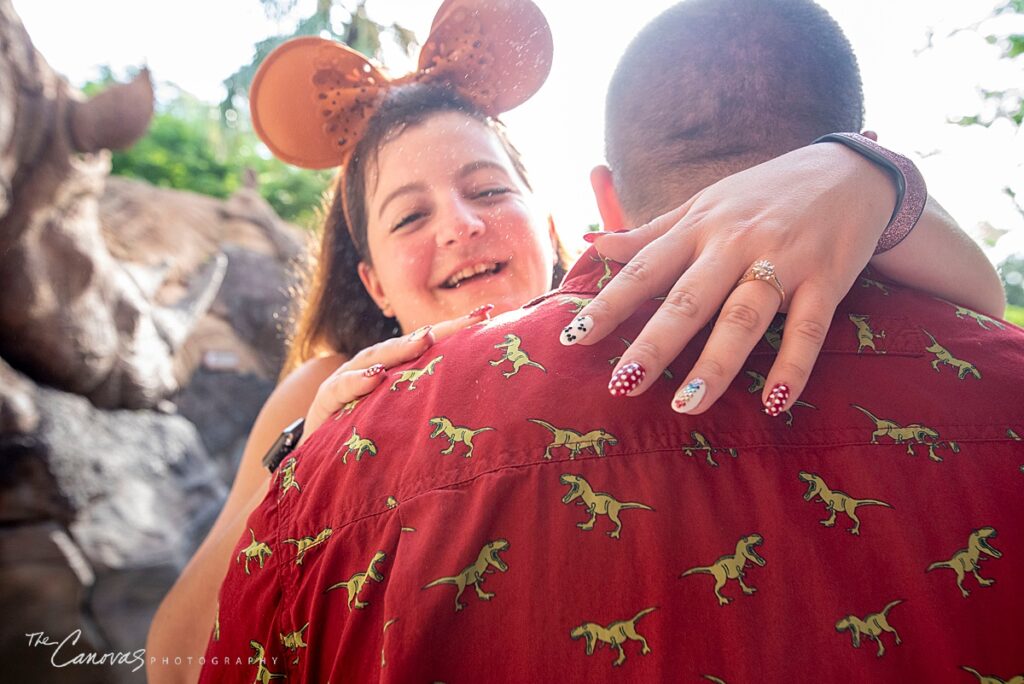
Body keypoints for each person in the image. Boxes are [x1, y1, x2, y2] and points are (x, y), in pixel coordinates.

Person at [148, 0, 1013, 681]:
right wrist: (296, 468)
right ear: (372, 281)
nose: (459, 227)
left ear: (567, 216)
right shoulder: (320, 405)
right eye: (410, 214)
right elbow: (184, 661)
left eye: (488, 190)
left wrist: (859, 180)